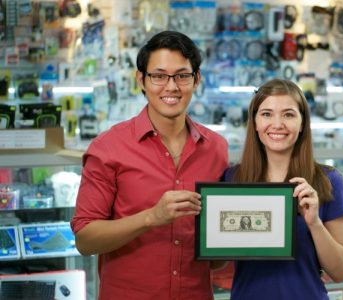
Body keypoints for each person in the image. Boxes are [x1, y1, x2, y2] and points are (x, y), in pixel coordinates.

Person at [70, 31, 229, 300]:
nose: (171, 87)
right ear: (141, 80)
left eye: (182, 75)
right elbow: (85, 240)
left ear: (196, 79)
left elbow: (217, 257)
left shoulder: (216, 148)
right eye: (158, 76)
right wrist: (150, 218)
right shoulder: (109, 148)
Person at [223, 79, 343, 299]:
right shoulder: (233, 179)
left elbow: (340, 272)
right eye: (266, 114)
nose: (277, 124)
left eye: (288, 114)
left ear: (302, 123)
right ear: (254, 122)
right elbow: (217, 260)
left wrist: (315, 224)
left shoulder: (328, 180)